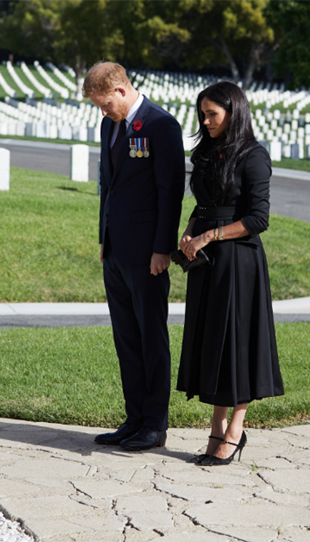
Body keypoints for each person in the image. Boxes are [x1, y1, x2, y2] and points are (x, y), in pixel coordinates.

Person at [177, 81, 284, 466]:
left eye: (212, 115)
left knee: (236, 348)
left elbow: (258, 219)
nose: (205, 122)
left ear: (233, 113)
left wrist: (209, 235)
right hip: (207, 265)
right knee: (213, 346)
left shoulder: (254, 156)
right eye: (202, 115)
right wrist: (190, 229)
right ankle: (215, 424)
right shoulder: (207, 152)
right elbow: (203, 203)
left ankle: (234, 430)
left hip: (239, 263)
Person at [83, 62, 185, 451]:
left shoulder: (161, 126)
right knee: (126, 338)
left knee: (150, 338)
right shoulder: (111, 124)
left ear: (122, 90)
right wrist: (103, 238)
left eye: (106, 103)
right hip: (115, 250)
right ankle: (134, 418)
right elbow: (109, 186)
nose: (103, 112)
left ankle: (154, 425)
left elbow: (169, 192)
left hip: (147, 254)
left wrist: (162, 249)